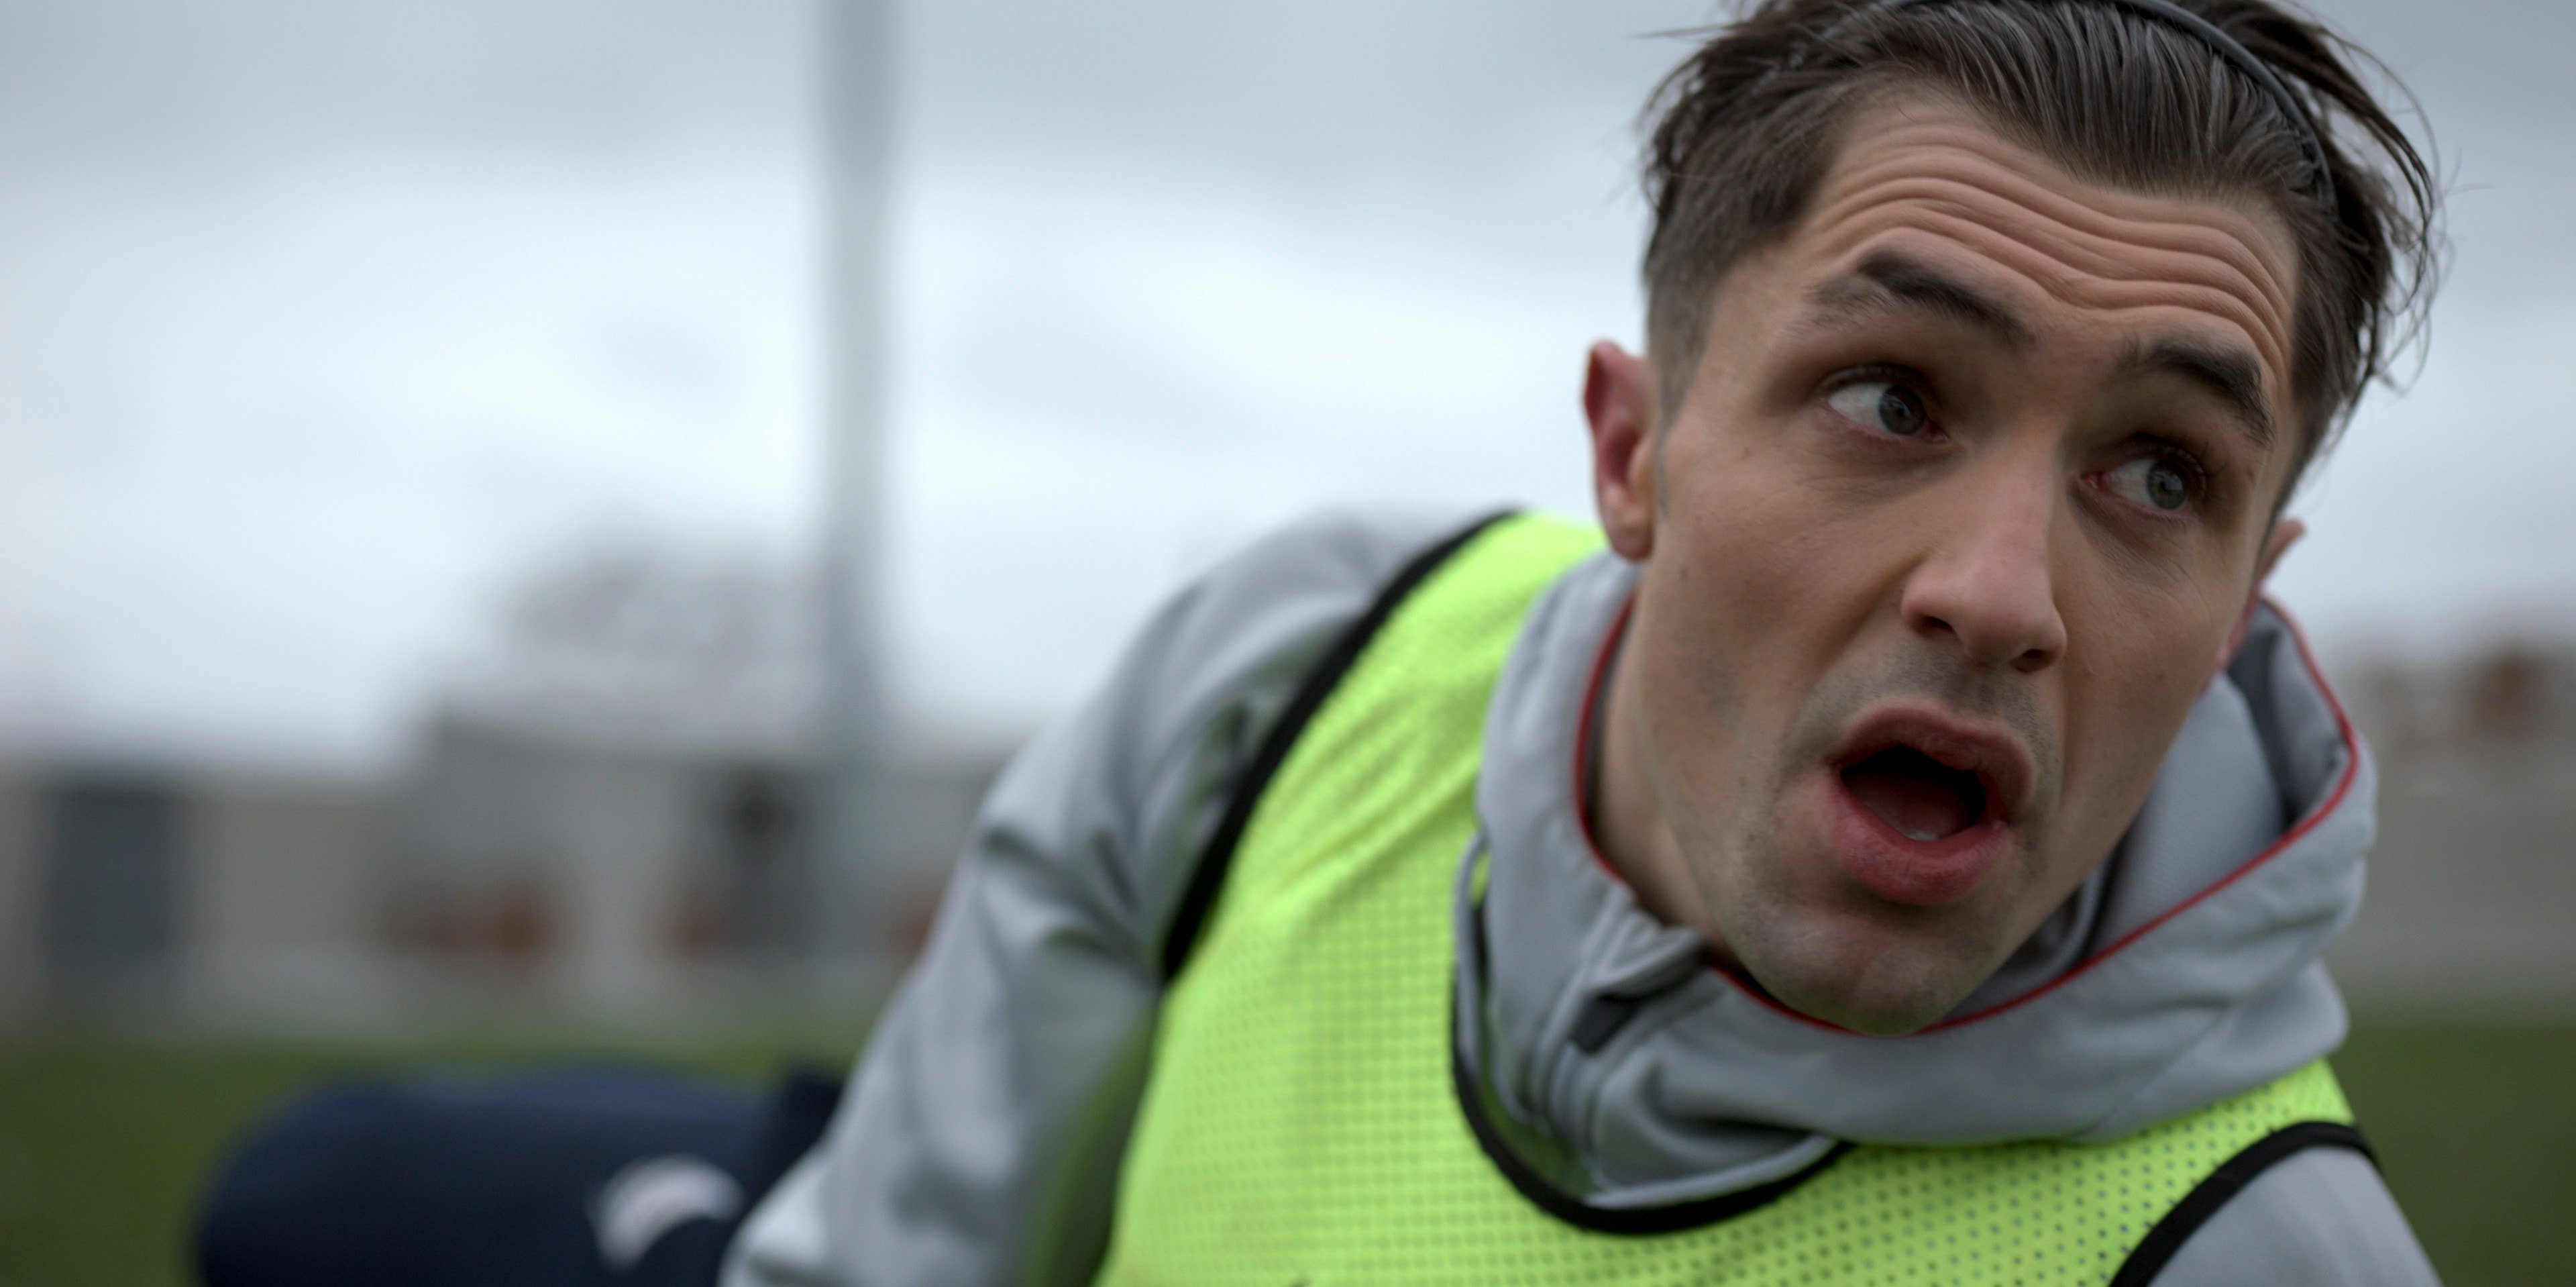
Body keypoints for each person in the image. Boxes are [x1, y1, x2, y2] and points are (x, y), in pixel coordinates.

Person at [198, 0, 2443, 1284]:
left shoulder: (2246, 1256)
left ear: (2251, 593)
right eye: (1890, 399)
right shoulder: (1302, 670)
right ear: (1635, 451)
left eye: (2160, 472)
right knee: (302, 1206)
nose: (1999, 592)